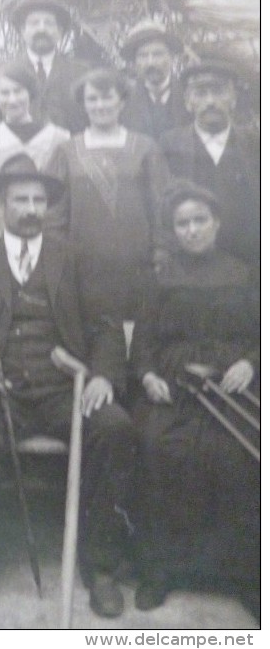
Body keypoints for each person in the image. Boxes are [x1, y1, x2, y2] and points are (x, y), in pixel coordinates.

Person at [0, 154, 136, 618]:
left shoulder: (74, 257)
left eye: (38, 200)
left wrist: (103, 376)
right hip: (0, 389)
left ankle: (101, 567)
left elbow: (107, 326)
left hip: (64, 389)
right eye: (20, 199)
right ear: (0, 207)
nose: (30, 208)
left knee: (115, 428)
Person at [131, 180, 259, 620]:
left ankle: (243, 575)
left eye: (199, 221)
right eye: (182, 223)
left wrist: (252, 363)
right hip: (175, 389)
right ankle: (161, 570)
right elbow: (142, 344)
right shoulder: (160, 279)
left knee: (238, 456)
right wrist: (147, 376)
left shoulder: (245, 274)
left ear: (217, 224)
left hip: (231, 390)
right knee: (160, 449)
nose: (191, 230)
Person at [45, 68, 171, 323]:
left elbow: (162, 205)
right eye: (92, 99)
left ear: (121, 101)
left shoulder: (145, 147)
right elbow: (53, 212)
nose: (100, 105)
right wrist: (58, 255)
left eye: (107, 97)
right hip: (84, 264)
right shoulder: (66, 151)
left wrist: (161, 250)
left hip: (136, 261)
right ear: (83, 105)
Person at [159, 61, 259, 268]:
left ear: (233, 99)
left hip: (250, 262)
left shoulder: (256, 143)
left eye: (219, 92)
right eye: (201, 94)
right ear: (188, 102)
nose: (211, 101)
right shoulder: (169, 145)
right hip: (190, 266)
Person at [0, 0, 90, 135]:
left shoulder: (81, 72)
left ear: (59, 32)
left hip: (68, 153)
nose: (41, 28)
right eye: (34, 23)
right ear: (23, 31)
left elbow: (91, 123)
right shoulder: (1, 71)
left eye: (49, 23)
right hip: (15, 153)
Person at [0, 60, 71, 239]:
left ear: (30, 92)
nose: (12, 99)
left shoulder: (59, 137)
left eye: (18, 91)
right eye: (5, 93)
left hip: (49, 232)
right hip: (6, 234)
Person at [118, 19, 191, 140]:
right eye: (143, 56)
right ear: (135, 62)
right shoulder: (123, 102)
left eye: (158, 54)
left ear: (172, 58)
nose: (150, 62)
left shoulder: (187, 95)